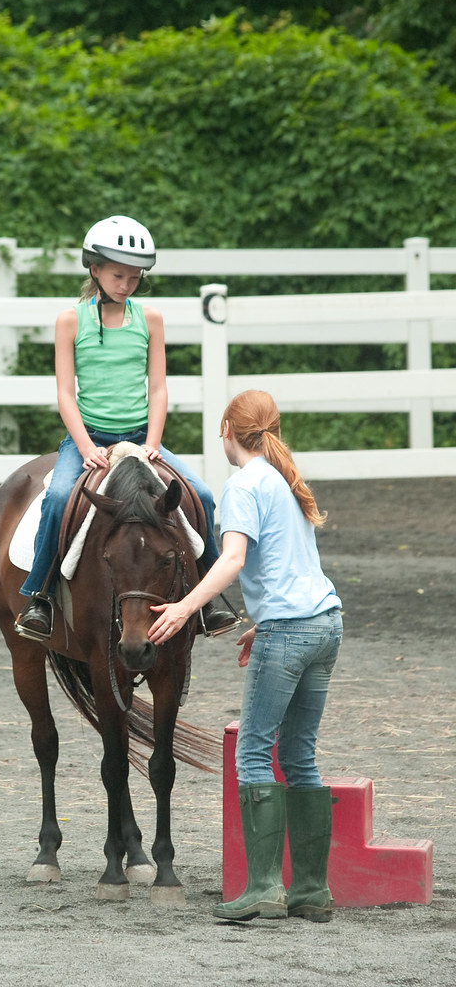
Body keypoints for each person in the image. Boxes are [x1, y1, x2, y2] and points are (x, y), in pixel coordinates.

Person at [149, 388, 342, 923]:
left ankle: (262, 888)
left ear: (227, 431)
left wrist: (186, 607)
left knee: (254, 751)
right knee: (299, 755)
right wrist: (263, 621)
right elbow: (294, 561)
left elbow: (232, 560)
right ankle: (310, 891)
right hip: (325, 624)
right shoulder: (283, 480)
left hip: (289, 630)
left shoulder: (241, 486)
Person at [14, 215, 238, 641]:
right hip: (90, 438)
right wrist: (84, 448)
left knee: (203, 496)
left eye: (135, 277)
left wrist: (153, 442)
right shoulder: (70, 321)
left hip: (140, 437)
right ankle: (38, 596)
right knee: (59, 497)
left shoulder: (150, 318)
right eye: (118, 275)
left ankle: (207, 599)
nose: (127, 284)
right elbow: (65, 393)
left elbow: (158, 387)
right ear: (94, 269)